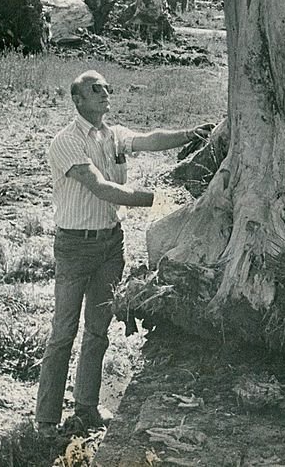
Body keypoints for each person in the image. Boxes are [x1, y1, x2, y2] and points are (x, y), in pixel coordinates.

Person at [35, 70, 212, 434]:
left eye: (106, 88)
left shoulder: (112, 135)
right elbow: (100, 188)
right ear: (78, 100)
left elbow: (148, 140)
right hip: (74, 246)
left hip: (110, 245)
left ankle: (86, 409)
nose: (104, 93)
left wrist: (190, 134)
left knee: (98, 330)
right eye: (94, 89)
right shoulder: (66, 141)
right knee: (64, 332)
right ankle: (46, 421)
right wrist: (159, 200)